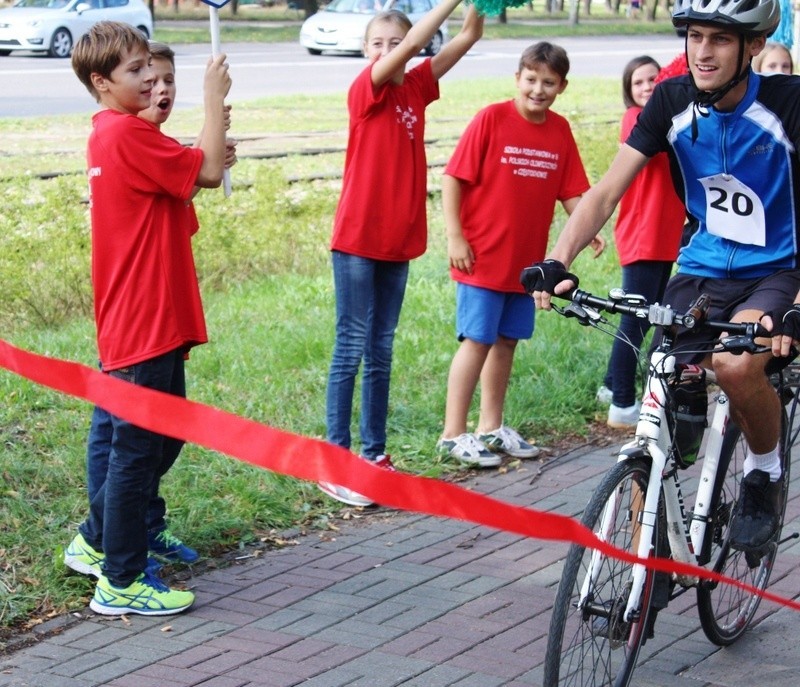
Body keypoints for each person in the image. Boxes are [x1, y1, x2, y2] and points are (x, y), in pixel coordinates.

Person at [522, 0, 800, 555]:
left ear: (752, 47)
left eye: (720, 40)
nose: (703, 51)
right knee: (662, 397)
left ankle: (763, 474)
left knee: (735, 363)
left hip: (778, 268)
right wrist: (558, 260)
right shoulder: (672, 101)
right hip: (700, 268)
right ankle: (640, 561)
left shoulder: (789, 104)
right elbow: (605, 193)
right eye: (695, 37)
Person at [65, 21, 231, 615]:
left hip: (141, 317)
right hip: (144, 320)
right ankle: (120, 577)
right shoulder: (126, 135)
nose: (149, 82)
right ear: (101, 82)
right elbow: (208, 172)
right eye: (136, 72)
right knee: (139, 449)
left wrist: (199, 152)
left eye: (155, 71)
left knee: (141, 440)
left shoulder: (118, 134)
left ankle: (101, 539)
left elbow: (190, 179)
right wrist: (214, 100)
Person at [321, 1, 484, 506]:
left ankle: (373, 455)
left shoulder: (414, 87)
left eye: (396, 43)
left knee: (382, 350)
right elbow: (417, 46)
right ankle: (335, 460)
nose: (388, 52)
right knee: (351, 346)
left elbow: (466, 39)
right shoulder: (364, 89)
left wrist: (478, 9)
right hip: (357, 240)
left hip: (398, 242)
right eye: (378, 45)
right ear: (366, 52)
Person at [436, 42, 595, 467]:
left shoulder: (559, 130)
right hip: (482, 258)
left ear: (562, 86)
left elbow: (572, 194)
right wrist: (456, 236)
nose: (538, 89)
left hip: (526, 267)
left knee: (506, 343)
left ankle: (491, 426)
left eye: (548, 83)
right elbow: (453, 178)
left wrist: (589, 229)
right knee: (477, 340)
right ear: (517, 78)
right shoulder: (491, 118)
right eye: (531, 80)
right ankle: (452, 433)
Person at [596, 55, 686, 429]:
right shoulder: (637, 117)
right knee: (634, 320)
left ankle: (609, 384)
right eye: (639, 82)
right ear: (629, 92)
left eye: (654, 78)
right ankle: (621, 405)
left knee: (648, 318)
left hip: (664, 235)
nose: (648, 86)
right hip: (643, 234)